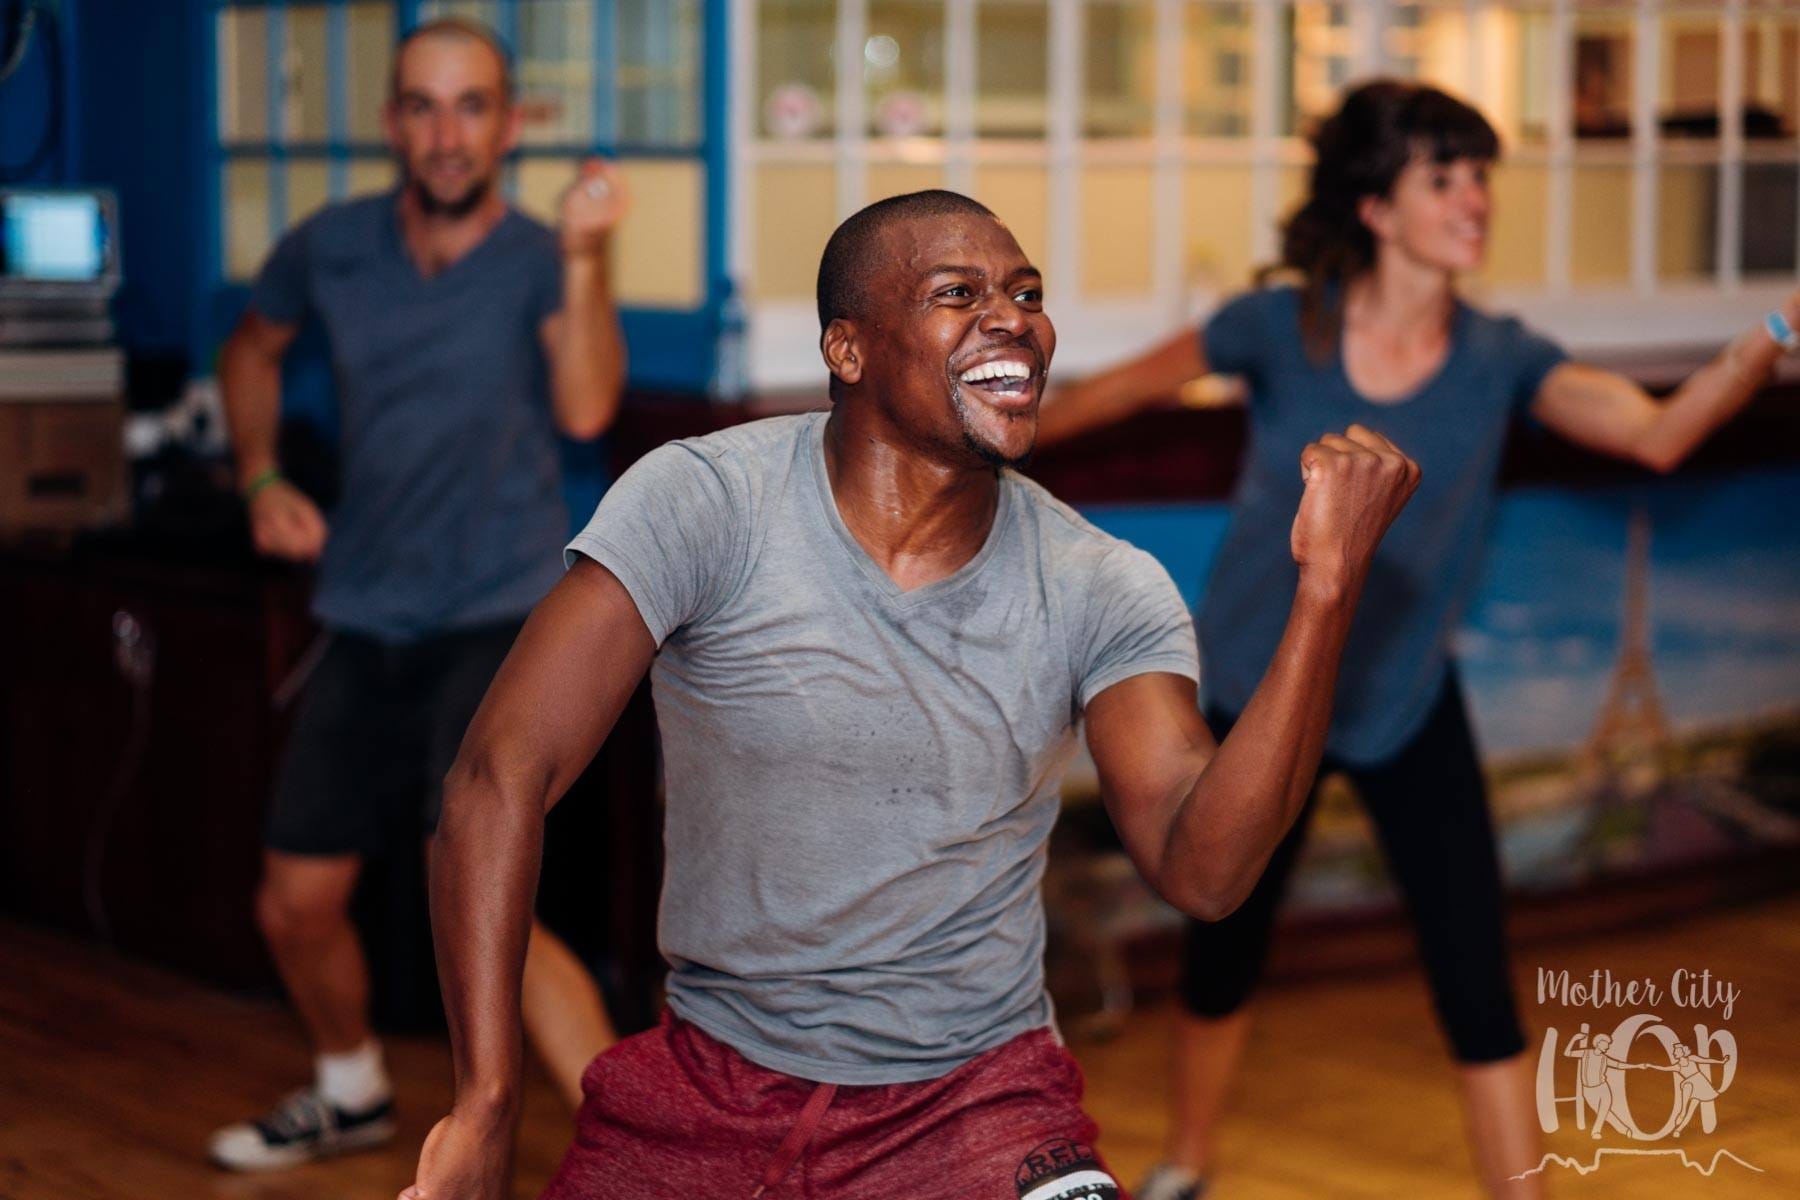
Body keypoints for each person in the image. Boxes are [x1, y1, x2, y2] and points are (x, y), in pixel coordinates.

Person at [395, 187, 1418, 1200]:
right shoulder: (707, 502)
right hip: (709, 1094)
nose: (1011, 316)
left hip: (980, 1101)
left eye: (1025, 291)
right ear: (850, 350)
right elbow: (494, 780)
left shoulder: (1100, 583)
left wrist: (1327, 596)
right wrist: (485, 1103)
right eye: (956, 292)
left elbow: (1205, 871)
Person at [1036, 79, 1798, 1200]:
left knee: (1472, 971)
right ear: (1378, 209)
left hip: (1402, 698)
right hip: (1260, 682)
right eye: (1445, 177)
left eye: (1482, 174)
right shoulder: (1278, 325)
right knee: (1224, 951)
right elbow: (1101, 401)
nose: (1476, 197)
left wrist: (1771, 335)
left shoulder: (1500, 356)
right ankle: (1185, 1165)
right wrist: (947, 443)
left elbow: (1657, 434)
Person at [209, 17, 627, 1171]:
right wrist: (258, 474)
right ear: (394, 121)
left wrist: (591, 258)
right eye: (425, 107)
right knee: (292, 902)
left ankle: (640, 1153)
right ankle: (350, 1092)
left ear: (509, 124)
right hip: (365, 612)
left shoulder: (545, 256)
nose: (448, 134)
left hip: (501, 616)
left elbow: (590, 408)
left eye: (472, 107)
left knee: (483, 892)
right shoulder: (329, 246)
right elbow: (249, 349)